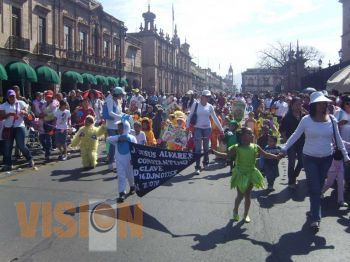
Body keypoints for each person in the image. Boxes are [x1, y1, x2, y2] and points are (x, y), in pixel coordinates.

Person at [281, 91, 350, 232]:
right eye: (319, 103)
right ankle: (315, 218)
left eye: (324, 103)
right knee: (314, 188)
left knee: (318, 187)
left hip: (327, 158)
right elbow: (295, 135)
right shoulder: (306, 119)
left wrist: (346, 156)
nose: (322, 105)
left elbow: (338, 139)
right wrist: (285, 148)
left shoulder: (331, 119)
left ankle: (314, 210)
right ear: (313, 105)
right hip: (309, 157)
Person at [214, 127, 279, 223]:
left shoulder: (255, 147)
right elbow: (227, 155)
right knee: (240, 195)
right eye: (249, 133)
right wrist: (214, 152)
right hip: (240, 173)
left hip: (251, 173)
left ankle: (246, 214)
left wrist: (276, 156)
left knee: (248, 194)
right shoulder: (237, 147)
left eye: (252, 133)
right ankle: (235, 210)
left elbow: (265, 154)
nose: (252, 135)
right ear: (242, 136)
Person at [186, 90, 224, 175]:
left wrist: (221, 129)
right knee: (198, 148)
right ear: (202, 96)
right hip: (197, 128)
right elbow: (190, 116)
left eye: (209, 96)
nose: (208, 98)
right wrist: (187, 127)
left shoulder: (210, 106)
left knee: (206, 147)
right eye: (206, 96)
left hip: (207, 128)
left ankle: (205, 162)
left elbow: (215, 118)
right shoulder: (195, 105)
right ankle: (197, 167)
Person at [0, 90, 34, 171]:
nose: (12, 97)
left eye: (13, 96)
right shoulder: (3, 105)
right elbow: (1, 117)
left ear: (15, 96)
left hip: (19, 126)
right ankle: (8, 164)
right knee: (8, 147)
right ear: (7, 97)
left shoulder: (21, 102)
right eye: (10, 96)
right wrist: (9, 114)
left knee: (21, 145)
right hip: (8, 128)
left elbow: (27, 111)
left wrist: (24, 112)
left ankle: (29, 159)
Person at [107, 120, 137, 203]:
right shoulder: (117, 137)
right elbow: (108, 139)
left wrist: (133, 158)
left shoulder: (132, 137)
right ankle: (121, 193)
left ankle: (132, 186)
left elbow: (136, 147)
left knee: (130, 175)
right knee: (121, 176)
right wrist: (118, 138)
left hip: (129, 160)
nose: (119, 129)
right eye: (118, 128)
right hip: (119, 160)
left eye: (121, 128)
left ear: (126, 128)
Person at [279, 97, 305, 188]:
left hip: (302, 142)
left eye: (300, 104)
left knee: (302, 162)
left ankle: (294, 176)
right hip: (291, 142)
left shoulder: (304, 116)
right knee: (291, 161)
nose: (299, 106)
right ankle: (291, 181)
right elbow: (282, 130)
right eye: (297, 104)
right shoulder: (287, 116)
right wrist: (287, 141)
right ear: (292, 105)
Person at [105, 87, 126, 170]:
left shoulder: (118, 101)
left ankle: (117, 163)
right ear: (117, 94)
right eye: (121, 94)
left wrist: (125, 115)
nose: (122, 96)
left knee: (119, 144)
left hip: (118, 125)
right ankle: (110, 163)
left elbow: (119, 112)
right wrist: (121, 117)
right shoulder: (110, 100)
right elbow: (110, 113)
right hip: (111, 126)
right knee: (113, 145)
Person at [40, 90, 57, 161]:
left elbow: (54, 114)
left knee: (48, 138)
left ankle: (48, 154)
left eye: (49, 97)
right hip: (44, 122)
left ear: (52, 97)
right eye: (47, 97)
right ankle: (47, 149)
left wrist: (46, 114)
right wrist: (41, 114)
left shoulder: (55, 104)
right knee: (41, 137)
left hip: (51, 122)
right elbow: (42, 112)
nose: (48, 98)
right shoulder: (44, 104)